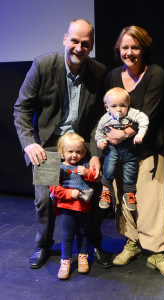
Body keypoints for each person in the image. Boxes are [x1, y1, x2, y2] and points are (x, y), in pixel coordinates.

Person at [13, 19, 113, 269]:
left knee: (99, 191)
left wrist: (96, 153)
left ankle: (92, 243)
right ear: (65, 39)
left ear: (91, 46)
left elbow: (99, 119)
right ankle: (44, 245)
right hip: (49, 144)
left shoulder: (98, 71)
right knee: (45, 200)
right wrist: (29, 143)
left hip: (82, 145)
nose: (79, 47)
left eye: (85, 43)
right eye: (75, 41)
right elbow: (22, 108)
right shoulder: (43, 64)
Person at [105, 25, 164, 280]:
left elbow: (149, 113)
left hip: (149, 149)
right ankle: (132, 243)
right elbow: (106, 112)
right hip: (120, 154)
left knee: (152, 204)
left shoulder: (155, 74)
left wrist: (122, 134)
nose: (130, 52)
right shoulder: (114, 76)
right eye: (125, 47)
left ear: (144, 49)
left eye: (135, 47)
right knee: (124, 199)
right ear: (119, 49)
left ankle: (157, 254)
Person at [50, 133, 96, 280]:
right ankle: (65, 261)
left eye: (78, 152)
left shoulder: (85, 165)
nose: (75, 155)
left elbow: (96, 177)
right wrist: (70, 193)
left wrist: (88, 173)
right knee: (67, 236)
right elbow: (53, 188)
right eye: (70, 151)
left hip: (83, 207)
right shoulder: (60, 167)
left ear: (83, 152)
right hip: (66, 207)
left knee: (82, 233)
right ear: (62, 153)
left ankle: (83, 257)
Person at [95, 87, 149, 211]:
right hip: (112, 148)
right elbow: (99, 132)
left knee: (131, 167)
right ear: (107, 107)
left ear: (128, 104)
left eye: (122, 105)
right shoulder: (105, 118)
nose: (118, 109)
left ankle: (129, 193)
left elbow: (143, 119)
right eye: (114, 106)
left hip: (128, 148)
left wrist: (140, 133)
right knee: (109, 166)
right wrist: (100, 141)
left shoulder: (131, 113)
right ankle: (106, 190)